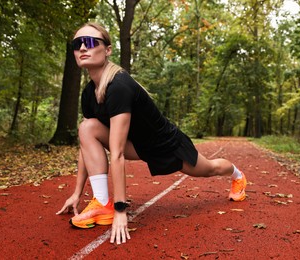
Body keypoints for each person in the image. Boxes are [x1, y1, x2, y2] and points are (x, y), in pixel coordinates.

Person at [56, 22, 247, 245]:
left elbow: (116, 154)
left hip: (165, 144)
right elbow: (86, 145)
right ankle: (102, 203)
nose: (82, 48)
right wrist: (77, 193)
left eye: (89, 42)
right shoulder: (89, 94)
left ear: (107, 50)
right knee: (86, 127)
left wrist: (121, 211)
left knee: (208, 169)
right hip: (135, 145)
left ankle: (237, 176)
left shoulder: (119, 86)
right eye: (77, 44)